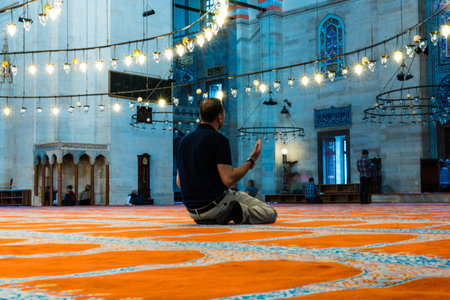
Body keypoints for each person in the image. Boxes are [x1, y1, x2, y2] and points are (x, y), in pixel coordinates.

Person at [176, 98, 277, 225]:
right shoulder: (218, 139)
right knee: (270, 212)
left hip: (192, 211)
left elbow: (180, 182)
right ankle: (238, 212)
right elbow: (228, 179)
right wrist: (251, 161)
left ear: (201, 116)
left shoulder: (182, 142)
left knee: (232, 197)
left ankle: (213, 216)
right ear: (220, 117)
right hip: (216, 205)